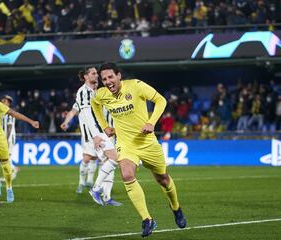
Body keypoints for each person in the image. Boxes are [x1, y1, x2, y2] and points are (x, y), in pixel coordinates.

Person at [91, 62, 187, 237]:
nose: (108, 81)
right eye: (104, 79)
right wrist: (104, 126)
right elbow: (95, 104)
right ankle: (147, 219)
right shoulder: (102, 94)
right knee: (127, 174)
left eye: (111, 77)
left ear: (119, 75)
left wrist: (151, 122)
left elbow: (161, 100)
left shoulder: (135, 86)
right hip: (126, 144)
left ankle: (176, 208)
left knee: (163, 179)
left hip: (147, 142)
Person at [60, 66, 121, 206]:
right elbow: (85, 114)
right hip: (96, 134)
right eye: (93, 73)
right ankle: (91, 187)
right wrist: (95, 136)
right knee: (102, 159)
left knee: (109, 162)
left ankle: (106, 196)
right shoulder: (83, 92)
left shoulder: (99, 91)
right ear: (86, 76)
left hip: (106, 132)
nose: (97, 76)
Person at [0, 95, 19, 181]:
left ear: (8, 103)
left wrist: (6, 139)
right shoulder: (1, 112)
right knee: (4, 157)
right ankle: (11, 171)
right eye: (2, 101)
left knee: (5, 157)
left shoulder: (10, 112)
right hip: (3, 138)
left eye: (5, 101)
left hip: (9, 138)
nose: (2, 102)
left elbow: (9, 127)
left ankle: (11, 171)